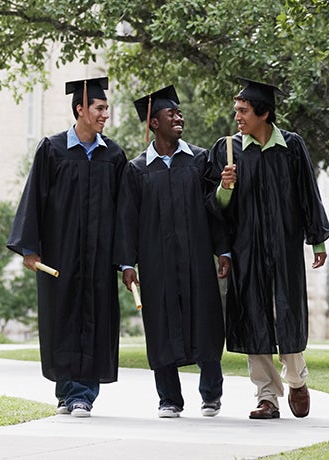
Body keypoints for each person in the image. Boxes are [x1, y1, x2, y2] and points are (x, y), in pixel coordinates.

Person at [208, 78, 329, 420]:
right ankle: (267, 397)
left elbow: (309, 193)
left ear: (264, 113)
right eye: (236, 110)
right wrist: (225, 187)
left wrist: (317, 239)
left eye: (243, 111)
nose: (237, 117)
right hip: (246, 248)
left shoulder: (291, 147)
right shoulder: (227, 149)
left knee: (286, 314)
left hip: (284, 246)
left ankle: (296, 380)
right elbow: (214, 207)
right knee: (253, 318)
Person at [7, 76, 126, 418]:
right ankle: (67, 391)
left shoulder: (114, 155)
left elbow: (123, 211)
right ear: (81, 110)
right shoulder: (53, 149)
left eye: (106, 108)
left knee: (95, 318)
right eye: (99, 108)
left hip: (99, 256)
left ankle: (83, 394)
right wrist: (29, 248)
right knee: (63, 319)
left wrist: (124, 258)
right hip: (60, 254)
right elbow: (34, 200)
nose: (105, 114)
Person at [115, 85, 231, 419]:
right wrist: (127, 263)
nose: (179, 118)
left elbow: (213, 209)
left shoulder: (198, 160)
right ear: (153, 123)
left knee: (206, 321)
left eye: (180, 113)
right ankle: (169, 399)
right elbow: (127, 219)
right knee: (160, 325)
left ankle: (211, 393)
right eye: (171, 114)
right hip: (156, 261)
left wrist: (224, 250)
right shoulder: (137, 169)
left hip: (196, 257)